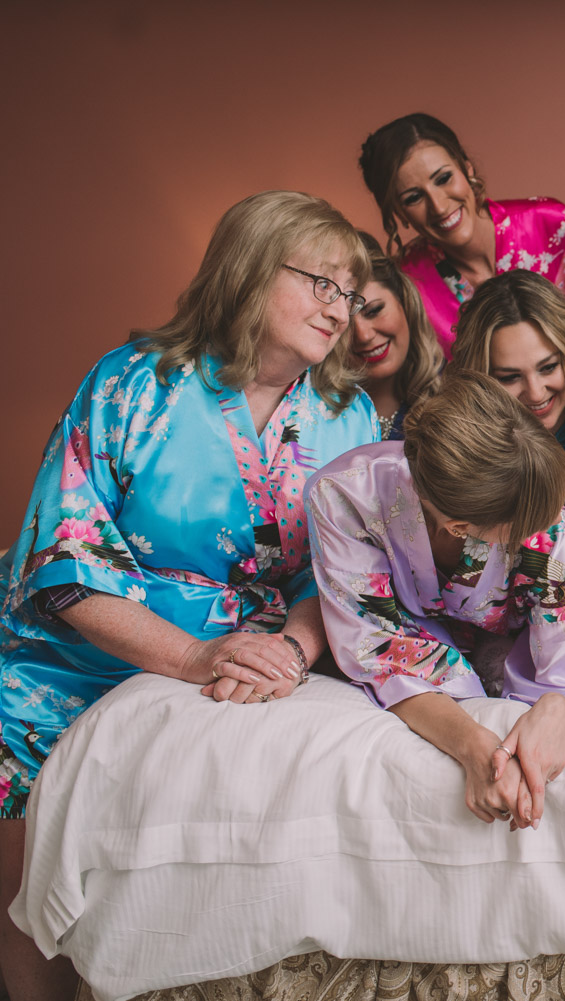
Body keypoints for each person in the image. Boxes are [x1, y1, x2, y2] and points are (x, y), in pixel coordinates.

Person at [0, 190, 379, 999]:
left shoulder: (349, 418)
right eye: (321, 282)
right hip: (78, 656)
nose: (339, 307)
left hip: (256, 658)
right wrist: (193, 655)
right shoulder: (132, 383)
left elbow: (342, 574)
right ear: (251, 268)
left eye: (350, 292)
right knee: (21, 847)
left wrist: (290, 653)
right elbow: (65, 557)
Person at [307, 370, 565, 830]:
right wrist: (473, 745)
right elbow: (374, 649)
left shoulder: (547, 525)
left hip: (512, 647)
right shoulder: (344, 495)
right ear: (459, 529)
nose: (545, 526)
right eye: (523, 528)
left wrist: (558, 709)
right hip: (407, 652)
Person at [359, 113, 565, 355]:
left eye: (444, 178)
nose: (438, 206)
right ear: (398, 212)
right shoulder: (407, 281)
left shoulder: (552, 223)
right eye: (413, 198)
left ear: (467, 168)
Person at [450, 270, 565, 539]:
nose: (535, 394)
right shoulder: (462, 442)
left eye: (548, 367)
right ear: (480, 376)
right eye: (509, 377)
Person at [349, 233, 444, 440]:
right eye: (345, 323)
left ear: (403, 300)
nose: (363, 336)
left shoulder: (455, 395)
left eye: (374, 311)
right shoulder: (308, 412)